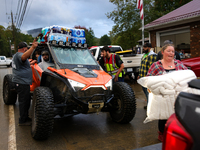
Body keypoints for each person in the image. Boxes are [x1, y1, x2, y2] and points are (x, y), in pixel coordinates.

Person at [146, 43, 188, 141]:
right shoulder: (156, 65)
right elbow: (149, 79)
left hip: (177, 96)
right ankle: (162, 133)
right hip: (163, 97)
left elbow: (187, 76)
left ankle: (176, 133)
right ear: (162, 52)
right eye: (168, 51)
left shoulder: (179, 64)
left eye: (173, 51)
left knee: (177, 116)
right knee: (164, 116)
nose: (171, 53)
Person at [12, 40, 38, 126]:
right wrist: (33, 47)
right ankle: (22, 120)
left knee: (26, 101)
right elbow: (23, 57)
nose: (27, 51)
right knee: (23, 102)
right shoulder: (19, 55)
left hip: (22, 82)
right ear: (24, 49)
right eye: (26, 49)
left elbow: (23, 63)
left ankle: (25, 117)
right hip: (21, 82)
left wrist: (31, 63)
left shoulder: (16, 56)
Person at [137, 42, 157, 109]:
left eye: (145, 47)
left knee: (148, 92)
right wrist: (139, 75)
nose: (143, 48)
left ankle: (150, 106)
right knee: (145, 92)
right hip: (143, 77)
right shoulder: (144, 55)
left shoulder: (153, 56)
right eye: (143, 47)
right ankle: (149, 104)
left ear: (149, 48)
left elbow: (152, 68)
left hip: (148, 78)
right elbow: (142, 66)